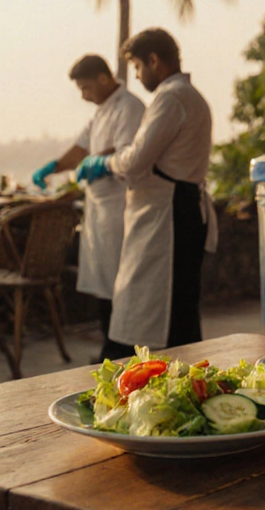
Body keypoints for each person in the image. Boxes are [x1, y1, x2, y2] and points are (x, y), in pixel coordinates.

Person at [76, 28, 216, 358]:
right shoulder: (191, 96)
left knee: (153, 308)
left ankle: (126, 372)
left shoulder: (170, 97)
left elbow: (137, 158)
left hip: (167, 215)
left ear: (154, 61)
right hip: (179, 209)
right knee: (176, 308)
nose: (137, 76)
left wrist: (105, 163)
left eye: (138, 67)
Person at [29, 54, 144, 363]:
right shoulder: (100, 113)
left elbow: (125, 151)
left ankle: (121, 350)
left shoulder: (129, 107)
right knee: (104, 284)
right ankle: (110, 347)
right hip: (99, 210)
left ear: (104, 79)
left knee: (120, 284)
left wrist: (94, 163)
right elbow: (81, 149)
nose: (83, 95)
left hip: (120, 205)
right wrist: (53, 167)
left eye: (85, 87)